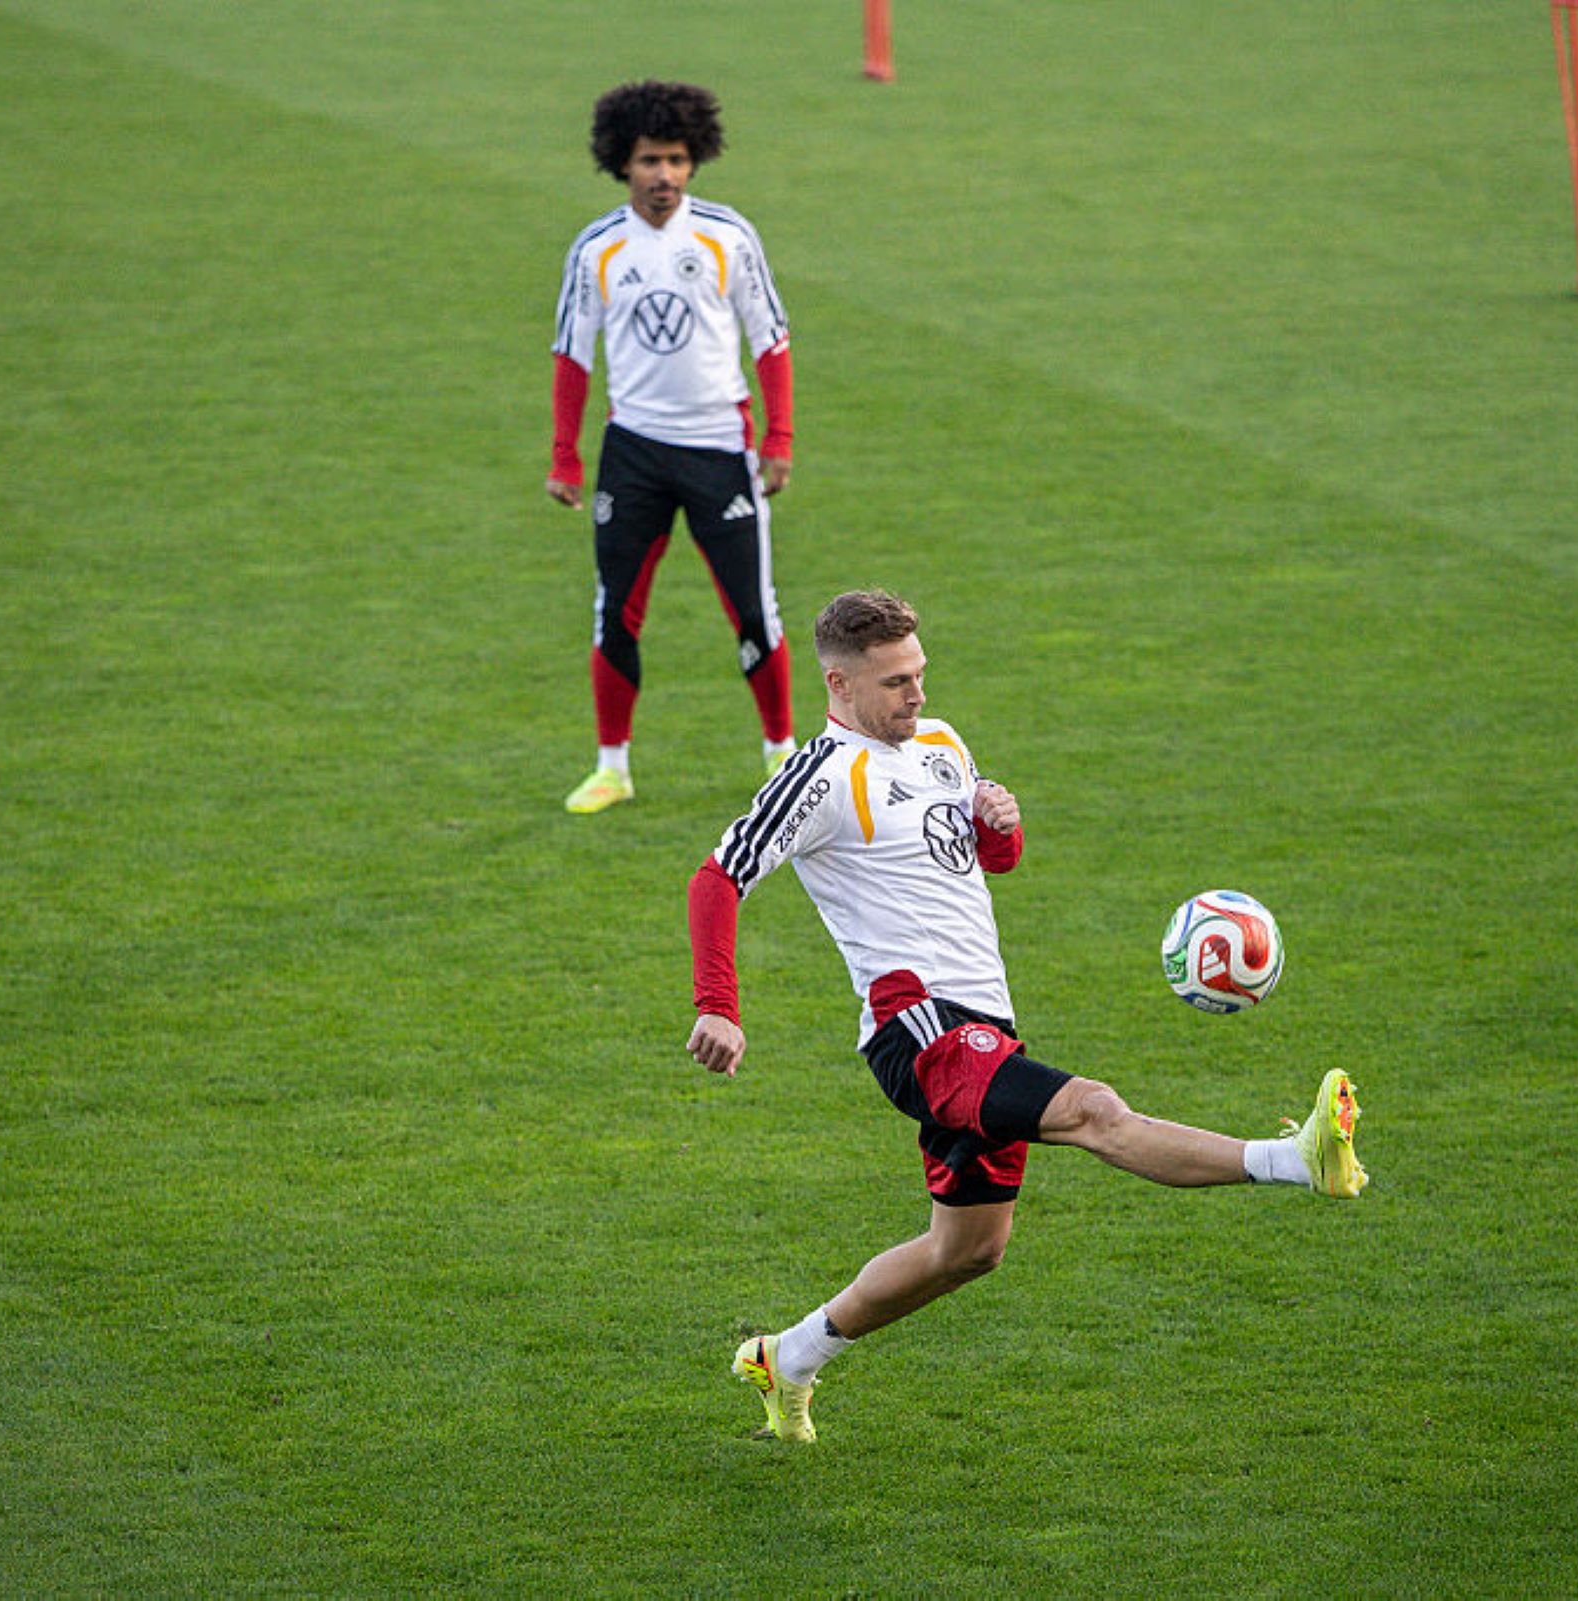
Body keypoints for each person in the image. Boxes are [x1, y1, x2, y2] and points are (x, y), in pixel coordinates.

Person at [685, 590, 1367, 1443]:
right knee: (1093, 1111)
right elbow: (717, 878)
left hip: (987, 1023)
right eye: (896, 682)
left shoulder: (939, 744)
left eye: (921, 674)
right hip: (920, 1028)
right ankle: (1298, 1158)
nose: (917, 694)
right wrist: (720, 1006)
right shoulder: (819, 777)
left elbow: (976, 859)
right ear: (840, 684)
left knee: (967, 1250)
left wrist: (997, 825)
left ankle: (785, 1357)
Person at [547, 80, 799, 814]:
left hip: (720, 450)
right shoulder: (598, 249)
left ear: (696, 163)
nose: (665, 176)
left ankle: (780, 753)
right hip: (634, 453)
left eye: (678, 160)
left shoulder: (728, 236)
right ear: (622, 164)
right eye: (651, 160)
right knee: (616, 609)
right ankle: (612, 766)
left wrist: (778, 439)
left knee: (754, 611)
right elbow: (572, 355)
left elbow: (772, 341)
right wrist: (566, 456)